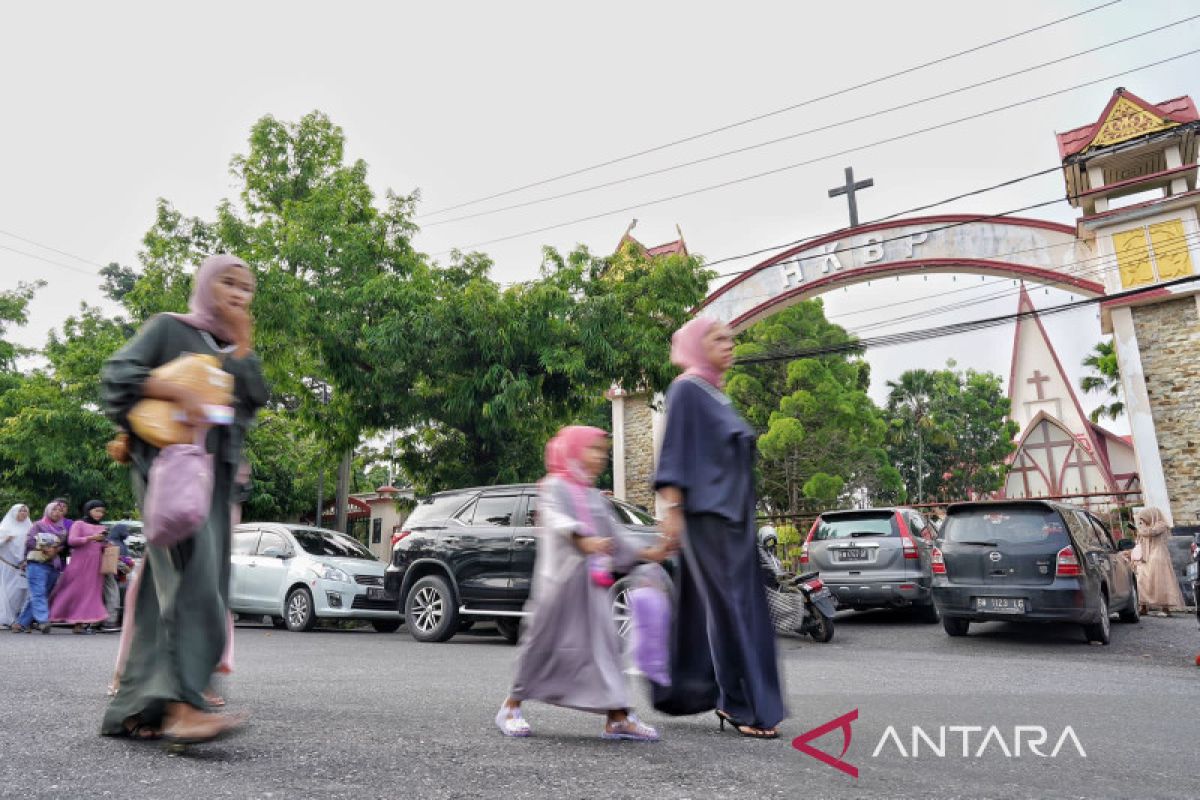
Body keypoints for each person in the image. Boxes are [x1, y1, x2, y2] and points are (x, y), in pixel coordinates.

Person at [99, 254, 268, 744]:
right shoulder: (169, 330)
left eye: (247, 287)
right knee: (193, 582)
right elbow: (117, 377)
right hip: (171, 473)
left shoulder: (228, 345)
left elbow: (254, 395)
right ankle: (182, 708)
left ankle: (136, 709)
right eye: (228, 283)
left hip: (213, 482)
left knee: (166, 589)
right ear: (206, 285)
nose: (238, 294)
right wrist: (171, 388)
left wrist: (243, 343)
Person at [651, 317, 786, 739]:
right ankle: (743, 705)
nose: (729, 345)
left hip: (735, 523)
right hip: (709, 519)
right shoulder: (687, 389)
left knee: (736, 611)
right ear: (696, 344)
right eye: (718, 338)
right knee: (733, 611)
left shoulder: (717, 394)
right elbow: (673, 453)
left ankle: (726, 698)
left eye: (731, 338)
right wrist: (672, 512)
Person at [496, 425, 672, 741]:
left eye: (604, 452)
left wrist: (652, 552)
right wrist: (583, 538)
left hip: (593, 590)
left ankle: (618, 717)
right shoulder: (554, 486)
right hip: (558, 589)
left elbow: (617, 537)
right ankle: (511, 707)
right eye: (594, 449)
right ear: (574, 450)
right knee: (542, 648)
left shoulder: (594, 496)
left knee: (606, 649)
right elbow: (555, 518)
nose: (600, 457)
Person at [13, 502, 70, 634]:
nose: (57, 512)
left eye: (60, 510)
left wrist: (55, 550)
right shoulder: (39, 525)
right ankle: (43, 621)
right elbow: (29, 541)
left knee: (40, 594)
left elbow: (62, 546)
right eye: (54, 509)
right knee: (38, 592)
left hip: (53, 565)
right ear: (48, 510)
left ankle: (21, 623)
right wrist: (44, 548)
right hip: (37, 563)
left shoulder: (62, 529)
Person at [1133, 507, 1184, 616]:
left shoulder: (1161, 525)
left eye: (1144, 518)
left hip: (1158, 556)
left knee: (1160, 582)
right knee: (1142, 581)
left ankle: (1165, 608)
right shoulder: (1145, 528)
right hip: (1145, 557)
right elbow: (1140, 539)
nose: (1143, 521)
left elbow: (1151, 533)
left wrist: (1140, 527)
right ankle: (1143, 606)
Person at [0, 504, 33, 628]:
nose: (23, 513)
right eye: (21, 511)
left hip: (24, 564)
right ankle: (6, 618)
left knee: (20, 591)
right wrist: (5, 540)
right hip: (7, 564)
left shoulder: (30, 527)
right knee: (8, 590)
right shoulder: (4, 527)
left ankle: (17, 618)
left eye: (26, 511)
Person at [101, 523, 134, 631]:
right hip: (112, 573)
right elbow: (115, 559)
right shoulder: (111, 543)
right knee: (112, 596)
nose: (127, 533)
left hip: (120, 574)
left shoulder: (121, 543)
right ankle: (110, 621)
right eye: (125, 531)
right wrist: (124, 567)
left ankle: (117, 619)